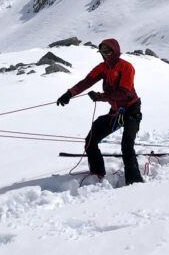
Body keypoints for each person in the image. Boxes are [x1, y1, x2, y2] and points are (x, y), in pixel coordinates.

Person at [56, 37, 143, 184]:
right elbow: (87, 81)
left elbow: (124, 92)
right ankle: (97, 172)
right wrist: (69, 93)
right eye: (102, 51)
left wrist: (100, 97)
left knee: (127, 146)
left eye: (108, 51)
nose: (105, 54)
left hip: (131, 110)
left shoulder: (126, 67)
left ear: (115, 51)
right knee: (91, 139)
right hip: (116, 112)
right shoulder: (103, 67)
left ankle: (135, 182)